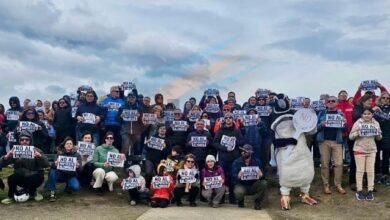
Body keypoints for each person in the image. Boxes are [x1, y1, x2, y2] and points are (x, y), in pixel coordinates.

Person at [0, 131, 49, 204]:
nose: (24, 141)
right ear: (19, 141)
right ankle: (11, 196)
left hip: (35, 175)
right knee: (11, 178)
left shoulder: (36, 150)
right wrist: (6, 157)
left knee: (32, 178)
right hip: (20, 175)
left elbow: (46, 164)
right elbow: (1, 164)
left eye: (27, 140)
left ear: (30, 140)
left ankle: (34, 192)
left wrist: (40, 157)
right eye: (22, 140)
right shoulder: (15, 150)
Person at [349, 109, 382, 201]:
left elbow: (379, 138)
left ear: (372, 114)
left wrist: (379, 134)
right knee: (360, 171)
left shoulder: (376, 123)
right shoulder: (357, 123)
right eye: (365, 114)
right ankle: (359, 191)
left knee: (371, 171)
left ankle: (370, 190)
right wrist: (357, 133)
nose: (367, 115)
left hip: (371, 150)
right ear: (362, 115)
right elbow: (351, 137)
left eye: (369, 114)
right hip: (359, 149)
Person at [317, 96, 347, 194]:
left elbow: (344, 129)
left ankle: (338, 184)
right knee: (325, 164)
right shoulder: (321, 113)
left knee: (339, 164)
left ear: (337, 103)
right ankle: (326, 185)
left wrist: (344, 124)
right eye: (328, 101)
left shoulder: (341, 114)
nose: (330, 102)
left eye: (333, 101)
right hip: (324, 141)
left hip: (336, 141)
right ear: (326, 103)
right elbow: (315, 127)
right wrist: (321, 124)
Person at [213, 112, 244, 204]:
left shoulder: (237, 131)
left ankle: (232, 198)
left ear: (233, 119)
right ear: (224, 119)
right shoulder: (220, 130)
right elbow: (215, 143)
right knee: (222, 178)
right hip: (223, 158)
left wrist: (236, 141)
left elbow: (243, 141)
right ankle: (221, 198)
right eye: (226, 118)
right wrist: (225, 148)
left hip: (234, 159)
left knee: (233, 179)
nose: (228, 119)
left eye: (230, 117)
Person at [45, 137, 81, 202]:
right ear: (64, 145)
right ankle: (52, 192)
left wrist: (78, 166)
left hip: (71, 175)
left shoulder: (77, 155)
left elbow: (80, 169)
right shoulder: (59, 153)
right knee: (52, 172)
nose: (69, 145)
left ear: (73, 145)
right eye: (67, 144)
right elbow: (52, 166)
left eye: (70, 144)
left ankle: (68, 187)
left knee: (75, 187)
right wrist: (55, 164)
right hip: (60, 174)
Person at [232, 144, 267, 210]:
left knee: (264, 183)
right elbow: (233, 176)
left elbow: (263, 176)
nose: (243, 152)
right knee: (239, 192)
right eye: (242, 151)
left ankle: (257, 202)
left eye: (245, 151)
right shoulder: (236, 162)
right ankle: (240, 200)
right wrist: (238, 176)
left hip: (253, 185)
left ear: (251, 152)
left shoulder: (257, 161)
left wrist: (261, 175)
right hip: (242, 185)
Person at [100, 86, 125, 150]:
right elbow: (99, 108)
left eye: (119, 91)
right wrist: (105, 106)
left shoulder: (121, 101)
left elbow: (125, 110)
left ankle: (115, 156)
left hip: (117, 124)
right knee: (107, 140)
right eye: (116, 91)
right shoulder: (106, 100)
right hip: (107, 123)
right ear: (112, 92)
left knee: (117, 141)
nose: (118, 92)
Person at [373, 92, 390, 185]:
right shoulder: (376, 108)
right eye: (383, 98)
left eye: (388, 98)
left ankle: (385, 175)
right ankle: (377, 174)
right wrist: (373, 111)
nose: (386, 100)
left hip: (388, 134)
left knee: (386, 156)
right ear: (380, 99)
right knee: (376, 155)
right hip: (377, 134)